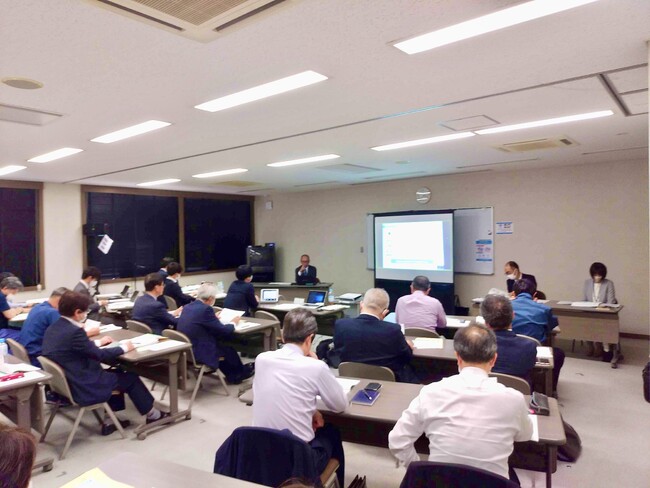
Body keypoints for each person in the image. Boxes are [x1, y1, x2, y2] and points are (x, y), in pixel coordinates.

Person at [388, 324, 533, 482]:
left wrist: (421, 471)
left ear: (457, 357)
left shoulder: (431, 392)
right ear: (494, 359)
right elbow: (525, 435)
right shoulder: (514, 399)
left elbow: (398, 440)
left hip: (438, 482)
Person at [42, 291, 166, 433]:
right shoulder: (75, 332)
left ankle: (110, 420)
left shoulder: (54, 328)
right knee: (130, 377)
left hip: (67, 382)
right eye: (85, 312)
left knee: (117, 371)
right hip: (83, 385)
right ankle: (153, 415)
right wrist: (125, 347)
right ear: (77, 312)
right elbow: (99, 355)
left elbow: (75, 348)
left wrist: (98, 343)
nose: (86, 314)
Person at [253, 308, 347, 487]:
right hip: (298, 463)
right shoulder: (315, 367)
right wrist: (317, 363)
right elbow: (340, 405)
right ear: (310, 338)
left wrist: (312, 410)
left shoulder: (261, 359)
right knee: (332, 432)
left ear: (283, 335)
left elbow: (284, 393)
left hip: (263, 454)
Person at [333, 288, 417, 383]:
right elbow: (406, 358)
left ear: (361, 304)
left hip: (351, 378)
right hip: (388, 382)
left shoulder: (341, 325)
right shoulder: (393, 330)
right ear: (385, 311)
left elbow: (338, 352)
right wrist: (408, 346)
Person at [177, 282, 254, 384]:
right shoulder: (206, 309)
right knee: (228, 349)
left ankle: (234, 375)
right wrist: (233, 323)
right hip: (200, 351)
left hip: (188, 350)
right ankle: (238, 375)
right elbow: (224, 330)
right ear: (210, 298)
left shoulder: (188, 307)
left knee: (223, 346)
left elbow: (199, 322)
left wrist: (213, 318)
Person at [511, 279, 564, 392]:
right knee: (559, 353)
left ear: (513, 294)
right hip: (534, 351)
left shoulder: (505, 307)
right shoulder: (544, 309)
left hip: (510, 348)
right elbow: (550, 327)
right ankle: (549, 389)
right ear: (535, 295)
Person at [19, 287, 81, 366]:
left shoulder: (37, 307)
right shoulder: (52, 312)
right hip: (38, 355)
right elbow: (67, 336)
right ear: (60, 301)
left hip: (29, 350)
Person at [481, 294, 536, 382]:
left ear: (485, 322)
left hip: (484, 388)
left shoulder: (476, 346)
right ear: (513, 316)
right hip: (518, 390)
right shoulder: (529, 346)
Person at [582, 262, 618, 361]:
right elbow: (584, 299)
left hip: (603, 312)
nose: (597, 277)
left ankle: (599, 346)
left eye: (600, 275)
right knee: (583, 324)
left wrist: (603, 306)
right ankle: (589, 345)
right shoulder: (587, 283)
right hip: (589, 311)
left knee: (600, 326)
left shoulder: (609, 283)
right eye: (595, 275)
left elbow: (611, 301)